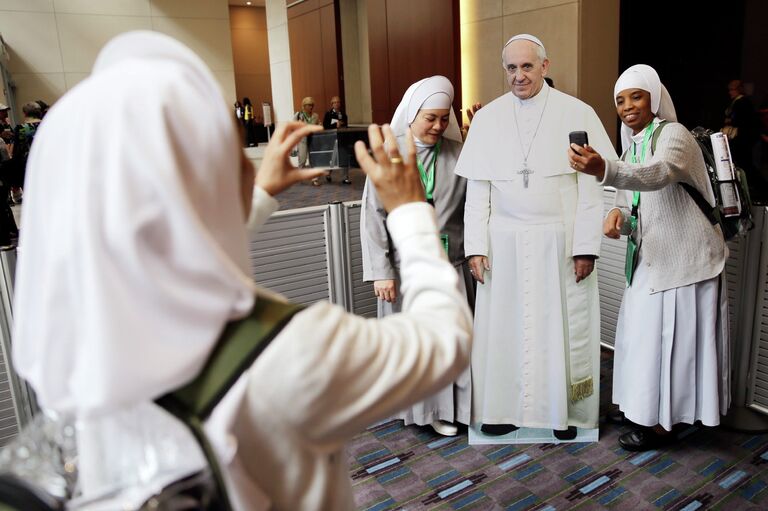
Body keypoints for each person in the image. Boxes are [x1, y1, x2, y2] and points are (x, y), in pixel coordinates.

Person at [11, 31, 472, 510]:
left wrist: (258, 200)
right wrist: (411, 212)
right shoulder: (291, 350)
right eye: (234, 159)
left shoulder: (70, 338)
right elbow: (444, 342)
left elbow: (181, 252)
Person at [455, 34, 616, 440]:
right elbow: (478, 190)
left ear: (545, 66)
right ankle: (503, 409)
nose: (519, 75)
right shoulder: (488, 118)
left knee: (556, 329)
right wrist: (474, 246)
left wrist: (585, 248)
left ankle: (564, 413)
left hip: (557, 243)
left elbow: (591, 189)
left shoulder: (576, 113)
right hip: (503, 243)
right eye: (511, 68)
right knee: (503, 331)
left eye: (527, 66)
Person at [568, 64, 730, 452]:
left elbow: (659, 173)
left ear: (654, 99)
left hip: (685, 262)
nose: (627, 107)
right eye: (620, 100)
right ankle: (642, 408)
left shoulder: (675, 135)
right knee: (641, 341)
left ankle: (662, 423)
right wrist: (616, 219)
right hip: (650, 260)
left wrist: (603, 168)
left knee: (669, 346)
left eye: (636, 97)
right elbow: (630, 207)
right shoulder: (632, 145)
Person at [361, 76, 473, 437]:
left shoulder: (460, 154)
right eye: (430, 118)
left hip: (450, 264)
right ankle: (416, 407)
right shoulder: (390, 157)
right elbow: (373, 217)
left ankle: (447, 409)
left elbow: (477, 207)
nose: (439, 126)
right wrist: (381, 271)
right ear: (411, 115)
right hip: (404, 267)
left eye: (444, 118)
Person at [8, 101, 43, 204]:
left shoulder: (21, 129)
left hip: (27, 166)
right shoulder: (48, 125)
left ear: (25, 113)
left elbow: (16, 152)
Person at [293, 96, 321, 185]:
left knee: (314, 160)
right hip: (302, 140)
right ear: (304, 106)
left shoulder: (315, 116)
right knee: (302, 159)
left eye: (312, 105)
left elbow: (319, 125)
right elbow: (293, 126)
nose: (311, 107)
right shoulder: (299, 115)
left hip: (312, 139)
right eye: (308, 105)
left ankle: (314, 179)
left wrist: (319, 125)